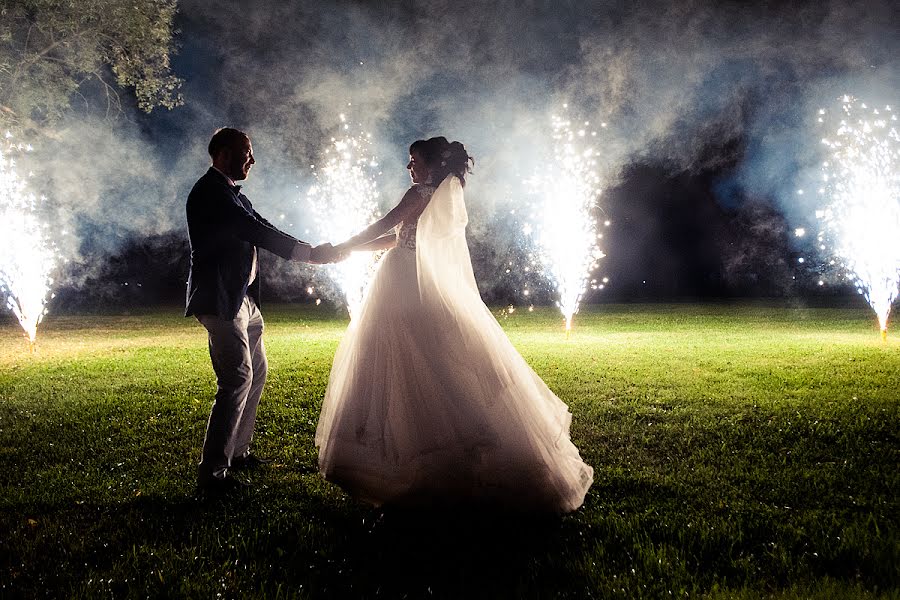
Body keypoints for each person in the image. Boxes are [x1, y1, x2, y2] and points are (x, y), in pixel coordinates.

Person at [315, 137, 593, 512]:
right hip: (411, 277)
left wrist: (339, 246)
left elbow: (386, 224)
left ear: (429, 165)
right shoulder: (443, 197)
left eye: (413, 160)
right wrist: (347, 251)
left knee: (406, 361)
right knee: (427, 360)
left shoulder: (419, 194)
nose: (409, 167)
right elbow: (396, 239)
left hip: (404, 285)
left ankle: (414, 454)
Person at [186, 127, 338, 494]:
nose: (252, 160)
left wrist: (308, 249)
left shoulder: (234, 195)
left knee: (256, 374)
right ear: (222, 155)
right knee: (236, 379)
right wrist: (311, 255)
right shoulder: (211, 193)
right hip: (221, 298)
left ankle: (239, 453)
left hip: (243, 299)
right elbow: (253, 231)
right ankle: (213, 474)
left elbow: (262, 225)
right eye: (246, 153)